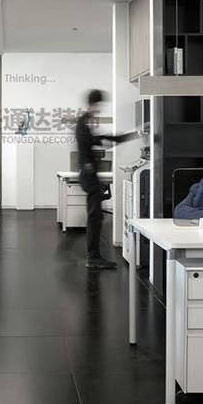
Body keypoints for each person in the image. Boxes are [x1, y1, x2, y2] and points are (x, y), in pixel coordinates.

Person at [76, 89, 134, 269]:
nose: (100, 108)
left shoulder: (85, 122)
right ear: (94, 104)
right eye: (99, 104)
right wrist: (118, 138)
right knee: (95, 217)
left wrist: (118, 138)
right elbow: (89, 143)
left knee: (96, 216)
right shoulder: (83, 122)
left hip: (89, 175)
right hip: (89, 176)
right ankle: (93, 257)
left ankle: (94, 256)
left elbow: (95, 140)